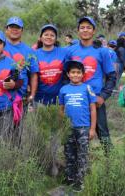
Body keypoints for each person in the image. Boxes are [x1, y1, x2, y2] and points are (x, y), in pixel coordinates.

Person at [65, 16, 116, 154]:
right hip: (75, 99)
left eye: (88, 27)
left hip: (96, 100)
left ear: (93, 31)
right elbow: (65, 75)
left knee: (103, 134)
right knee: (73, 135)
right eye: (82, 27)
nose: (85, 30)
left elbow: (111, 76)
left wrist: (103, 96)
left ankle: (111, 165)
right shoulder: (70, 51)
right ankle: (77, 167)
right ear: (78, 31)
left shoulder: (102, 51)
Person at [59, 60, 97, 192]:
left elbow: (93, 109)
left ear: (82, 74)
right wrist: (61, 126)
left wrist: (92, 129)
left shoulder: (87, 88)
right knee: (69, 153)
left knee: (82, 154)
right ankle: (70, 177)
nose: (75, 75)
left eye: (78, 72)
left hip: (83, 128)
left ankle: (80, 181)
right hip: (68, 127)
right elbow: (61, 109)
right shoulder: (63, 89)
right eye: (73, 72)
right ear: (68, 74)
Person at [34, 24, 66, 105]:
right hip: (39, 100)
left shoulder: (64, 52)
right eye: (46, 35)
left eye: (52, 35)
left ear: (55, 39)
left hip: (60, 100)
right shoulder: (34, 54)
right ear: (41, 38)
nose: (49, 37)